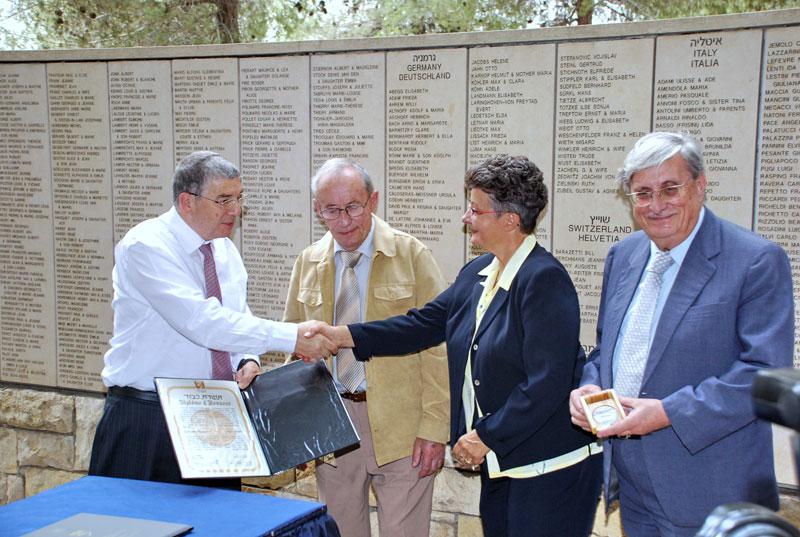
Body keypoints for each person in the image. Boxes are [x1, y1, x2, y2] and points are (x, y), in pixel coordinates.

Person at [309, 155, 603, 537]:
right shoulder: (478, 272)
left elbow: (546, 382)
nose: (466, 217)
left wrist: (484, 436)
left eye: (476, 209)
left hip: (547, 467)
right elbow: (423, 324)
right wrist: (344, 336)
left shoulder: (544, 279)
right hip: (502, 462)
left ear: (509, 220)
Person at [569, 131, 794, 536]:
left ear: (700, 184)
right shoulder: (624, 256)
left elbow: (764, 374)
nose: (656, 206)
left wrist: (668, 413)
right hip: (635, 490)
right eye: (642, 193)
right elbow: (608, 350)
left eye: (670, 189)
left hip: (711, 493)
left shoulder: (755, 261)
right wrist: (589, 387)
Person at [89, 151, 336, 489]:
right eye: (223, 200)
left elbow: (234, 316)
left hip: (215, 414)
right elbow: (201, 321)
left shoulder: (223, 249)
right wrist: (291, 337)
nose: (235, 210)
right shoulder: (145, 245)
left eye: (238, 198)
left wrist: (246, 358)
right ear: (187, 202)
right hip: (149, 419)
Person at [283, 158, 449, 537]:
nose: (344, 220)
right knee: (341, 531)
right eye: (331, 210)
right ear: (317, 210)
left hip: (402, 424)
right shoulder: (308, 262)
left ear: (373, 201)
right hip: (334, 424)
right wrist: (300, 428)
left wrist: (434, 427)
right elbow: (293, 347)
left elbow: (438, 346)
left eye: (353, 206)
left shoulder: (411, 255)